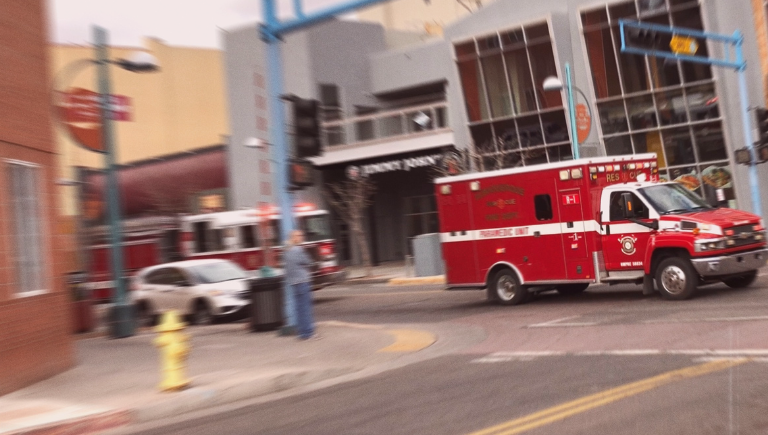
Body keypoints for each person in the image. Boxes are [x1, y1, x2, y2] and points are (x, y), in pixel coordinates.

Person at [283, 229, 319, 340]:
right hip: (303, 281)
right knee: (306, 308)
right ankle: (308, 332)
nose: (302, 236)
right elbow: (308, 262)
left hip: (294, 283)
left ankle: (302, 333)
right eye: (299, 235)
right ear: (294, 238)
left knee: (298, 309)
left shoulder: (287, 251)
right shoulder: (298, 250)